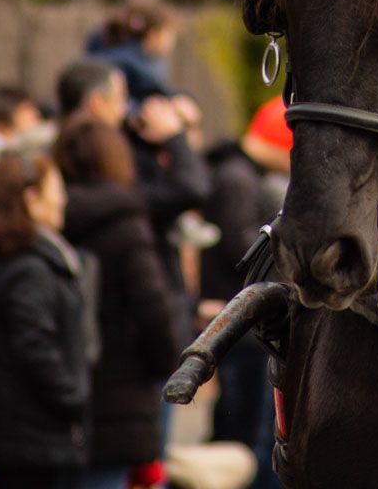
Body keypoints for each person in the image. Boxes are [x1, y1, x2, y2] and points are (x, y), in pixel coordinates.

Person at [54, 119, 177, 489]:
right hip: (118, 390)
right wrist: (165, 365)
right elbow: (152, 307)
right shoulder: (125, 223)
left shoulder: (47, 219)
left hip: (51, 395)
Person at [0, 152, 93, 489]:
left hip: (17, 431)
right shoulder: (30, 269)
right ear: (31, 197)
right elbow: (34, 346)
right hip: (31, 433)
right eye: (57, 189)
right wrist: (72, 396)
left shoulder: (7, 259)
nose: (63, 199)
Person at [57, 60, 209, 346]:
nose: (127, 110)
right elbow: (190, 188)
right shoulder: (120, 203)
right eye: (120, 99)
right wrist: (175, 137)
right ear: (96, 103)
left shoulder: (56, 159)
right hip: (130, 337)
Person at [199, 99, 289, 489]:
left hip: (245, 326)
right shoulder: (237, 179)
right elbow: (242, 250)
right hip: (243, 329)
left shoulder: (239, 175)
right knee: (245, 436)